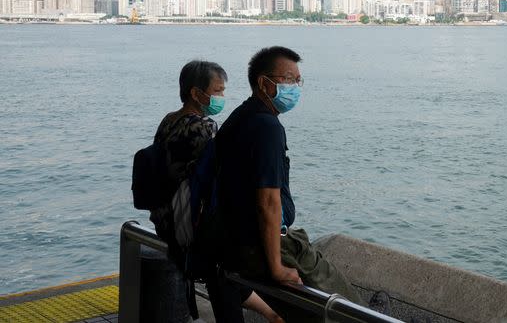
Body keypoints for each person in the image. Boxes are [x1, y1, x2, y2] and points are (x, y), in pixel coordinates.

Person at [216, 47, 364, 310]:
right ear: (264, 83)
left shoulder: (240, 117)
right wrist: (276, 268)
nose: (295, 87)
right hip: (262, 246)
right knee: (349, 309)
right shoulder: (267, 127)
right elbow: (268, 201)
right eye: (288, 79)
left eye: (298, 80)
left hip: (233, 241)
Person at [152, 59, 283, 323]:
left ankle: (270, 313)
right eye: (218, 91)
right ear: (196, 93)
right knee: (225, 270)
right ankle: (271, 313)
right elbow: (215, 176)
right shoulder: (204, 127)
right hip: (190, 222)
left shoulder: (168, 120)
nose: (222, 97)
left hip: (165, 215)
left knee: (222, 275)